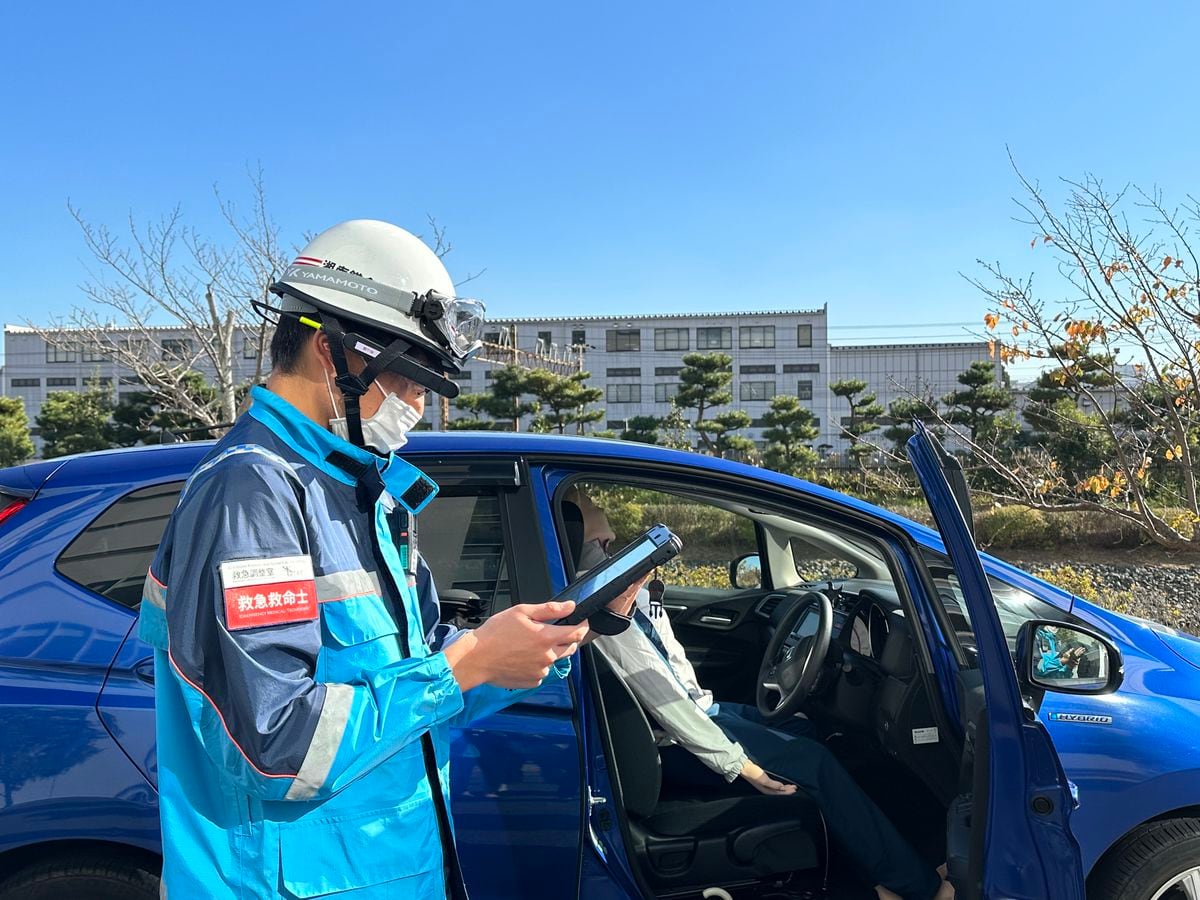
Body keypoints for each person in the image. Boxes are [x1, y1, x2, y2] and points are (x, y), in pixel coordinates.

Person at [137, 220, 640, 899]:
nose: (418, 403)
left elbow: (426, 676)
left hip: (383, 874)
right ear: (330, 349)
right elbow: (277, 746)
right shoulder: (252, 492)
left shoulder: (359, 493)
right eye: (406, 378)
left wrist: (537, 643)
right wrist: (463, 664)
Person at [572, 491, 953, 900]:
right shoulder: (600, 613)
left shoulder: (622, 600)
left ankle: (885, 871)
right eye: (604, 546)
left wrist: (645, 596)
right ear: (581, 545)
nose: (616, 553)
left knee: (805, 733)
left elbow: (675, 674)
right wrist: (742, 766)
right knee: (814, 761)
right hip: (677, 739)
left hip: (702, 711)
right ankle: (920, 890)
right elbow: (667, 702)